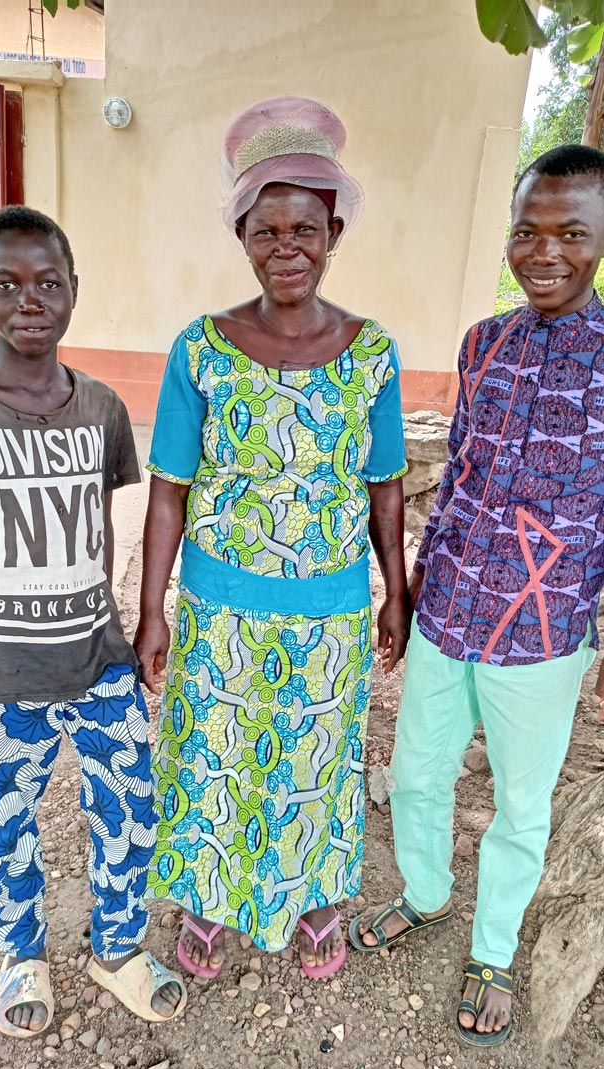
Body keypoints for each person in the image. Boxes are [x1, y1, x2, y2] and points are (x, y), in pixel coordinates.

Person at [350, 146, 604, 1045]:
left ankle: (493, 948)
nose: (543, 252)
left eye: (570, 234)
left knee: (520, 805)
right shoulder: (483, 343)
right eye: (526, 232)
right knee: (416, 773)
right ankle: (424, 894)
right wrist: (416, 580)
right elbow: (460, 472)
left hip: (544, 636)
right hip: (449, 614)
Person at [137, 96, 409, 981]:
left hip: (328, 606)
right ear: (242, 237)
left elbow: (386, 486)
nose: (286, 247)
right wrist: (151, 610)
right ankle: (210, 905)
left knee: (320, 758)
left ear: (334, 233)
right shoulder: (202, 349)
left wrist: (394, 590)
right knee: (212, 759)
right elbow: (169, 490)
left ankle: (319, 898)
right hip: (219, 608)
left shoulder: (372, 353)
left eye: (305, 227)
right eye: (266, 229)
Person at [0, 206, 187, 1038]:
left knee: (130, 813)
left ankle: (119, 948)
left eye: (48, 283)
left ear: (73, 289)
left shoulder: (98, 407)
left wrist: (138, 624)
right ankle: (21, 953)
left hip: (98, 667)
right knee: (3, 828)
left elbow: (103, 526)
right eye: (8, 284)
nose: (31, 301)